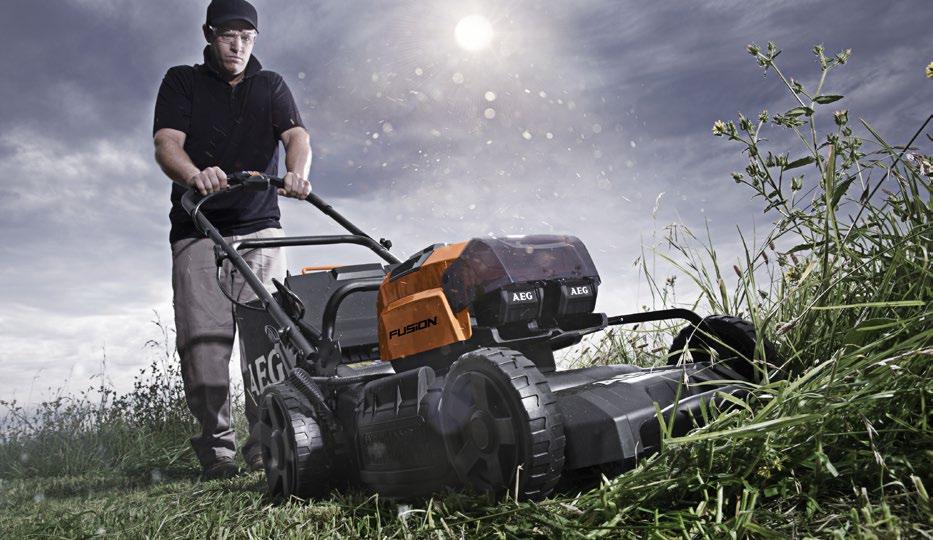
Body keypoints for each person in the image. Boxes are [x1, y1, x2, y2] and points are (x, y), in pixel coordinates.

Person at [152, 0, 311, 479]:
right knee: (204, 343)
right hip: (199, 227)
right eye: (228, 35)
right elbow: (166, 144)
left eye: (247, 37)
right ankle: (217, 450)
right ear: (209, 34)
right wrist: (195, 175)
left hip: (260, 225)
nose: (238, 45)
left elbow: (297, 137)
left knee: (268, 343)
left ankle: (265, 443)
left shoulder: (271, 85)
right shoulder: (182, 81)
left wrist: (296, 173)